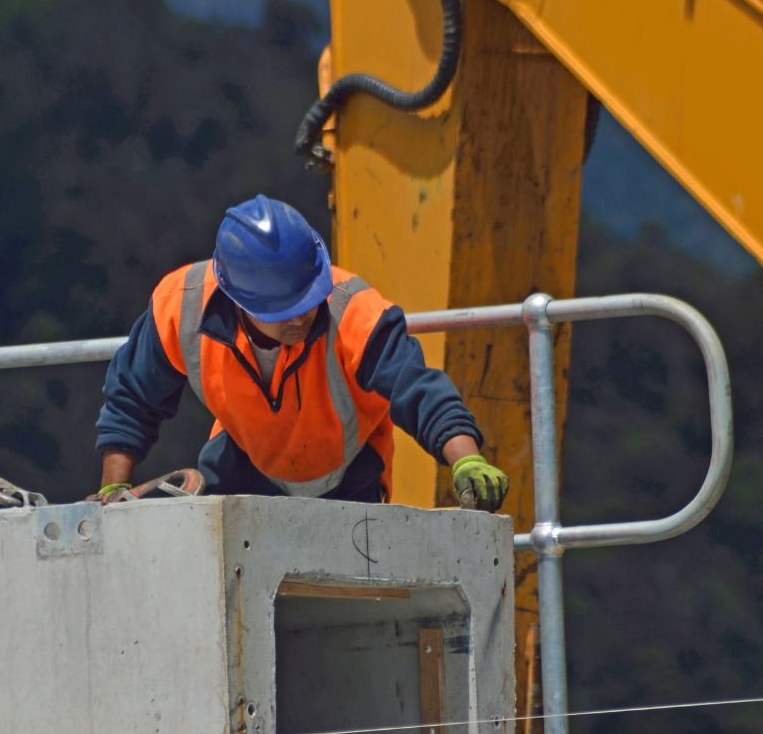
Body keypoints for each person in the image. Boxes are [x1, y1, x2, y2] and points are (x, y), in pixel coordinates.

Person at [93, 195, 510, 510]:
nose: (302, 317)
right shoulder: (180, 305)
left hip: (351, 475)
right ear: (237, 301)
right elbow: (134, 397)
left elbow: (420, 390)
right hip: (241, 463)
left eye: (309, 301)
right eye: (284, 311)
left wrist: (466, 461)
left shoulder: (355, 312)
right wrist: (115, 490)